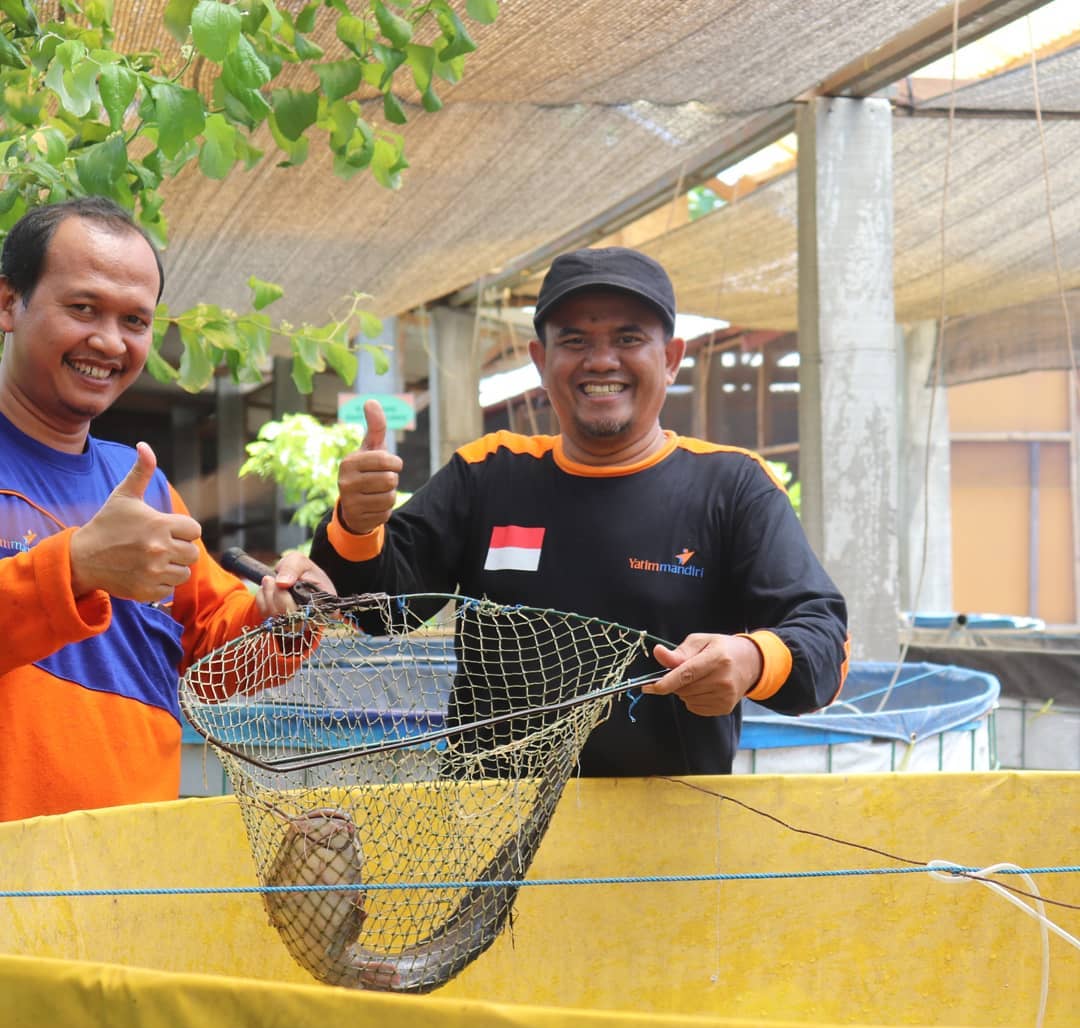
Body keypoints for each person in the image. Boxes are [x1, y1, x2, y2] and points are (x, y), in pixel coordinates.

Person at [309, 246, 849, 776]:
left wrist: (752, 659)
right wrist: (358, 524)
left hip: (672, 840)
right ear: (542, 362)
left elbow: (825, 642)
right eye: (574, 340)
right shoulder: (488, 473)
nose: (601, 360)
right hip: (492, 838)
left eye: (628, 338)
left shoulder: (731, 486)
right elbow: (376, 610)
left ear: (671, 358)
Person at [0, 196, 334, 820]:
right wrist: (72, 569)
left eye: (135, 320)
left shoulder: (145, 486)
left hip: (133, 869)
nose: (108, 340)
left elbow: (210, 657)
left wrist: (281, 614)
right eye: (83, 308)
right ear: (7, 303)